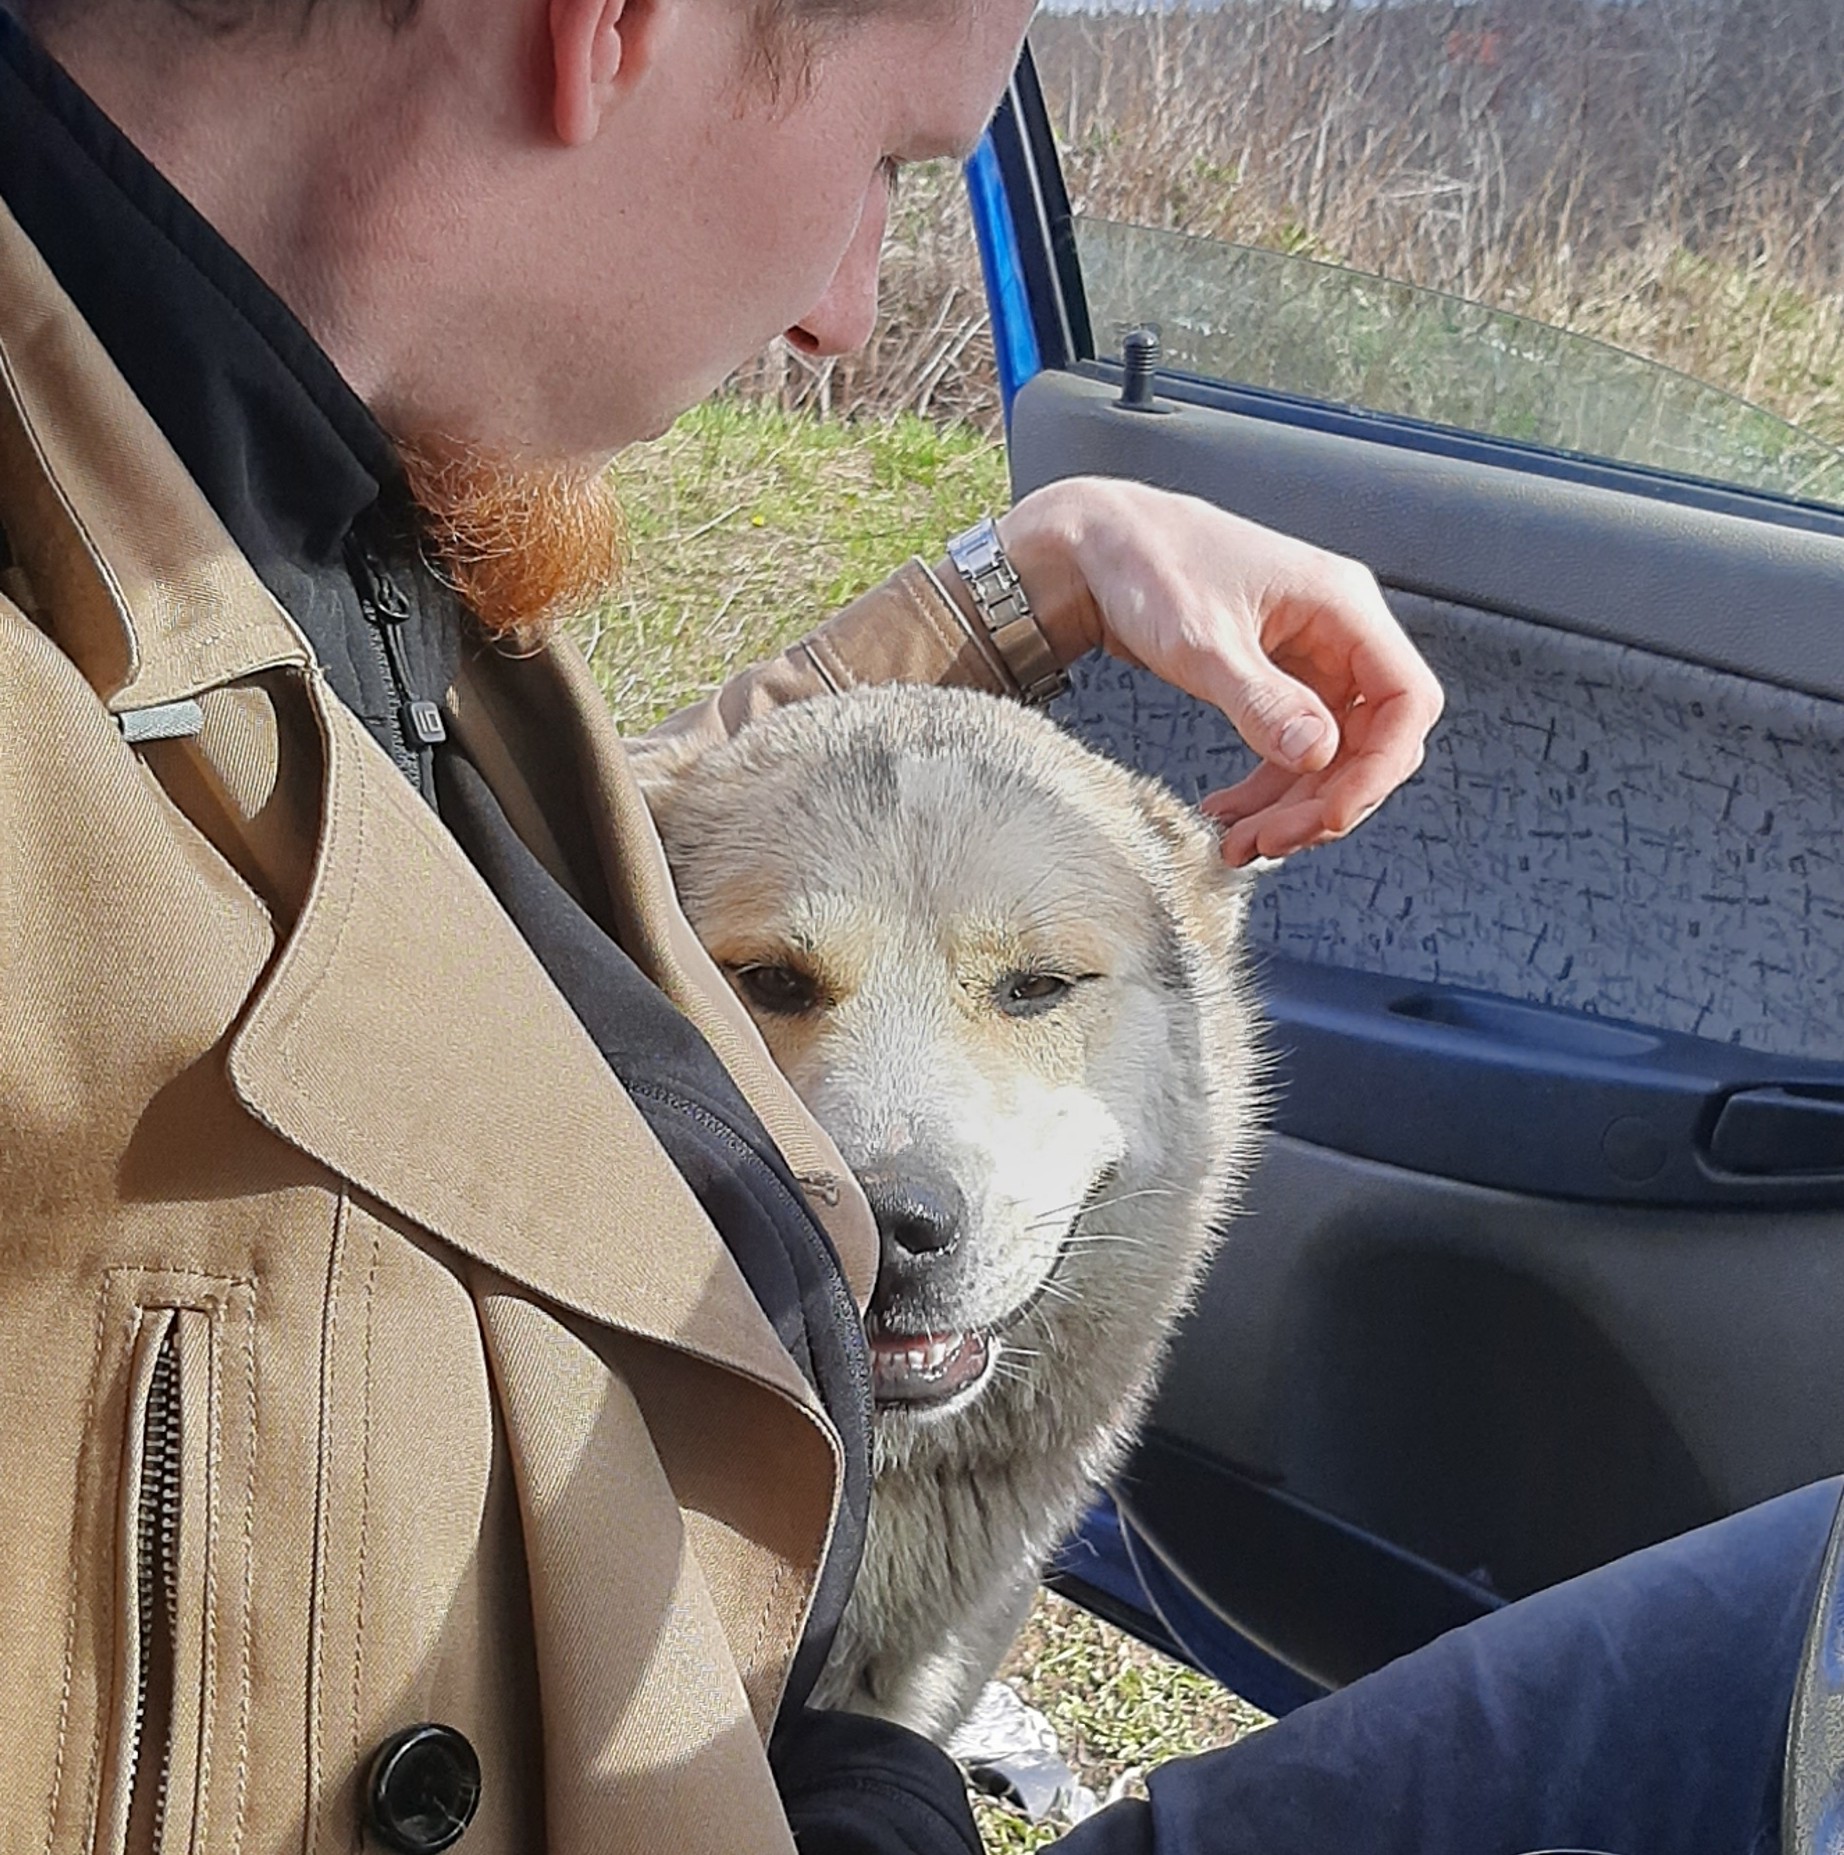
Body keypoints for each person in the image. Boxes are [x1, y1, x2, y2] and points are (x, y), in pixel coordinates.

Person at [0, 0, 1830, 1849]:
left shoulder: (309, 523)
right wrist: (872, 1793)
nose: (847, 313)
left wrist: (1014, 580)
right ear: (609, 29)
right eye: (888, 166)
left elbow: (572, 844)